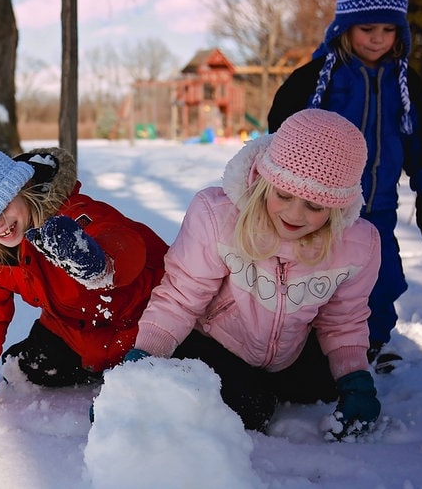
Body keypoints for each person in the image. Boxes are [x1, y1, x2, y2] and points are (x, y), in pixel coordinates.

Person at [118, 109, 383, 439]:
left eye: (315, 206)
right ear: (263, 180)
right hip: (215, 344)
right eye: (284, 195)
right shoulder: (218, 218)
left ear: (338, 207)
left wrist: (355, 379)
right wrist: (139, 367)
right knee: (248, 409)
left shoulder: (356, 246)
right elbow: (180, 298)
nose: (294, 214)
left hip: (287, 354)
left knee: (324, 386)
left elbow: (343, 320)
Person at [267, 0, 422, 371]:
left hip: (378, 207)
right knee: (311, 277)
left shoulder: (406, 83)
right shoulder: (318, 79)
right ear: (345, 27)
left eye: (388, 29)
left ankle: (373, 343)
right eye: (367, 29)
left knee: (380, 279)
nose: (378, 38)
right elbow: (279, 132)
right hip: (319, 208)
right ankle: (305, 345)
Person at [0, 146, 169, 419]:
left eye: (4, 206)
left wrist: (98, 262)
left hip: (149, 325)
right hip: (77, 336)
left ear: (23, 188)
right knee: (22, 367)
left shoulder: (69, 216)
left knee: (154, 393)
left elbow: (122, 241)